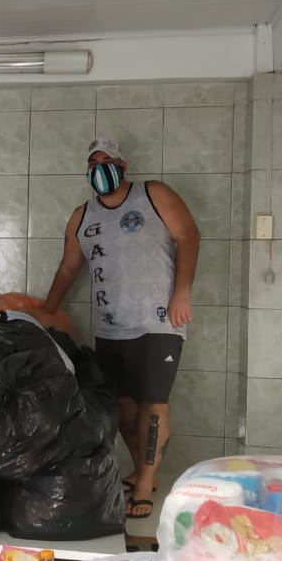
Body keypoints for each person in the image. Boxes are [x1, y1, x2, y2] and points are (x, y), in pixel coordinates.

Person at [41, 138, 199, 520]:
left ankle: (145, 482)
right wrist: (47, 310)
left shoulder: (153, 194)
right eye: (92, 162)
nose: (99, 168)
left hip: (159, 321)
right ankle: (144, 471)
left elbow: (188, 236)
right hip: (111, 326)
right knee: (123, 407)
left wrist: (182, 292)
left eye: (106, 160)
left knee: (152, 402)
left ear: (122, 164)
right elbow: (68, 268)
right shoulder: (82, 216)